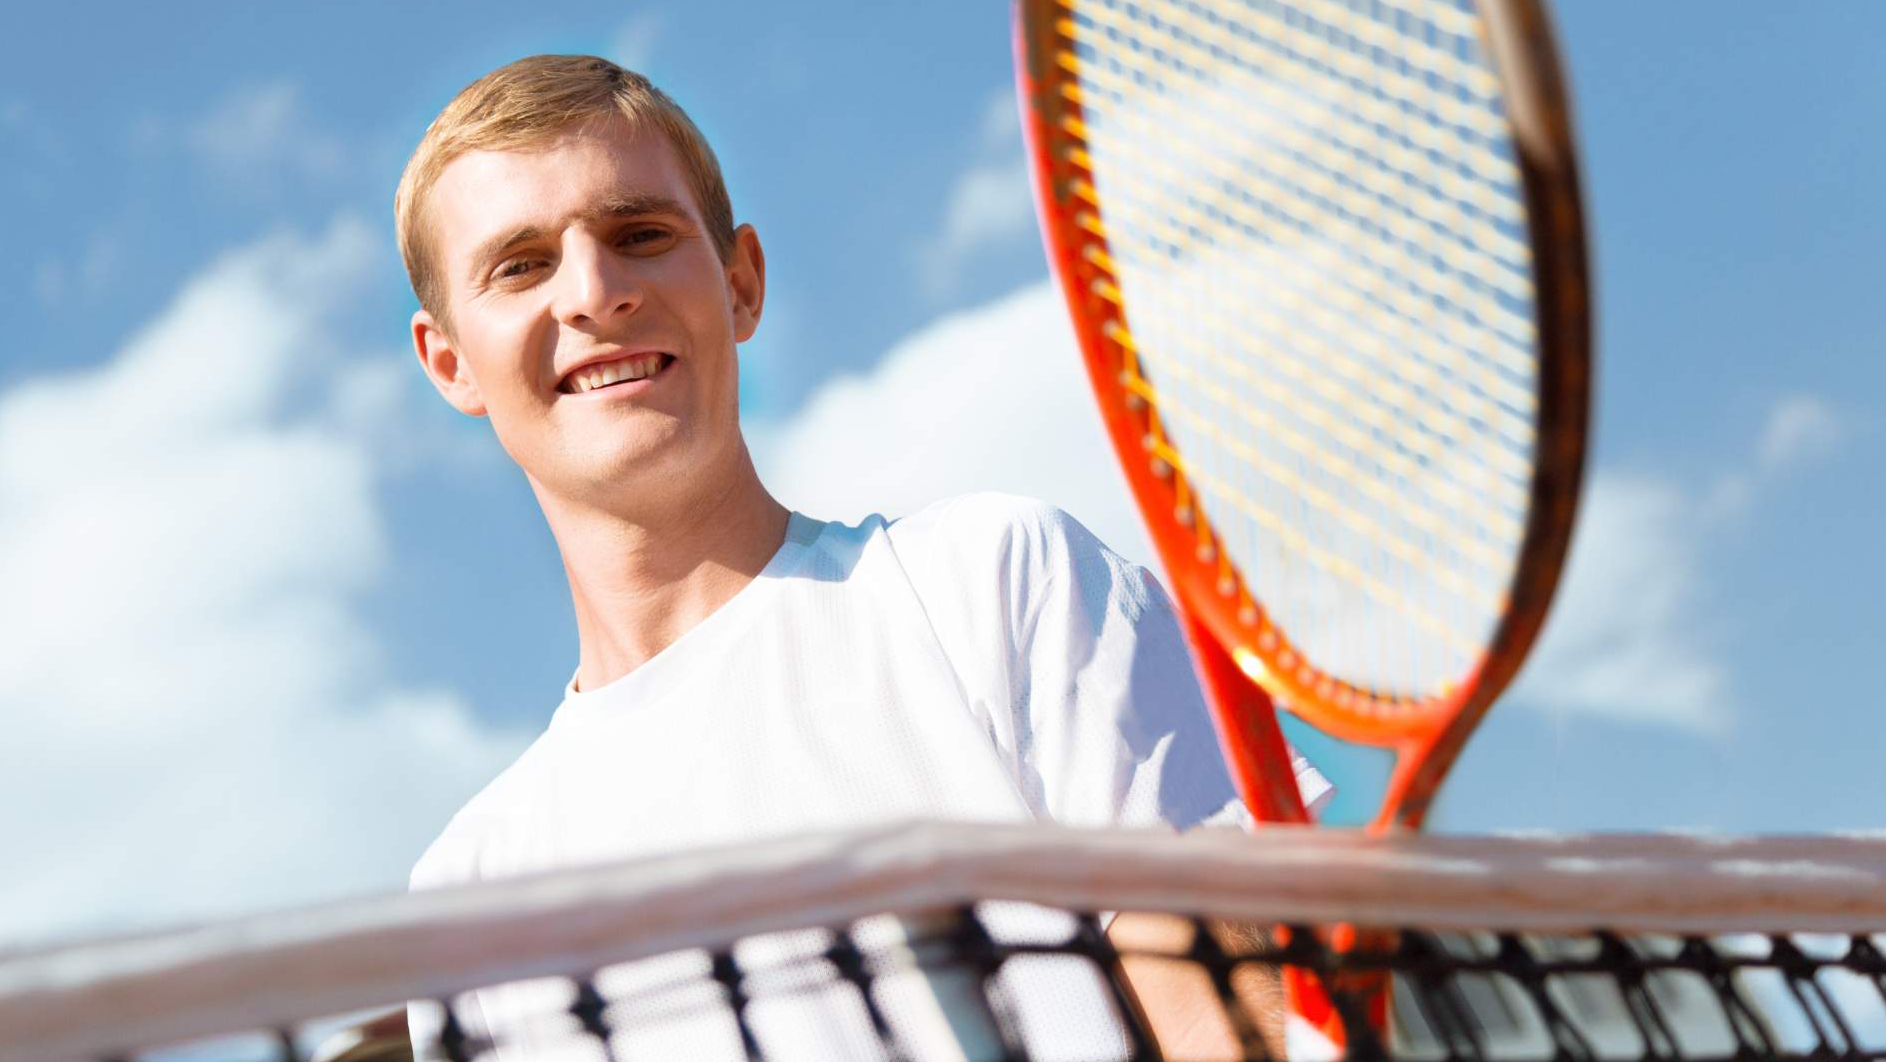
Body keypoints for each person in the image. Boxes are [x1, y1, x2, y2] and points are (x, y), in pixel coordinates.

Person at [395, 54, 1327, 1059]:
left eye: (641, 234)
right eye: (521, 264)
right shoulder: (467, 892)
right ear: (450, 362)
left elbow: (1248, 1033)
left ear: (741, 282)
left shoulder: (993, 587)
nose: (593, 290)